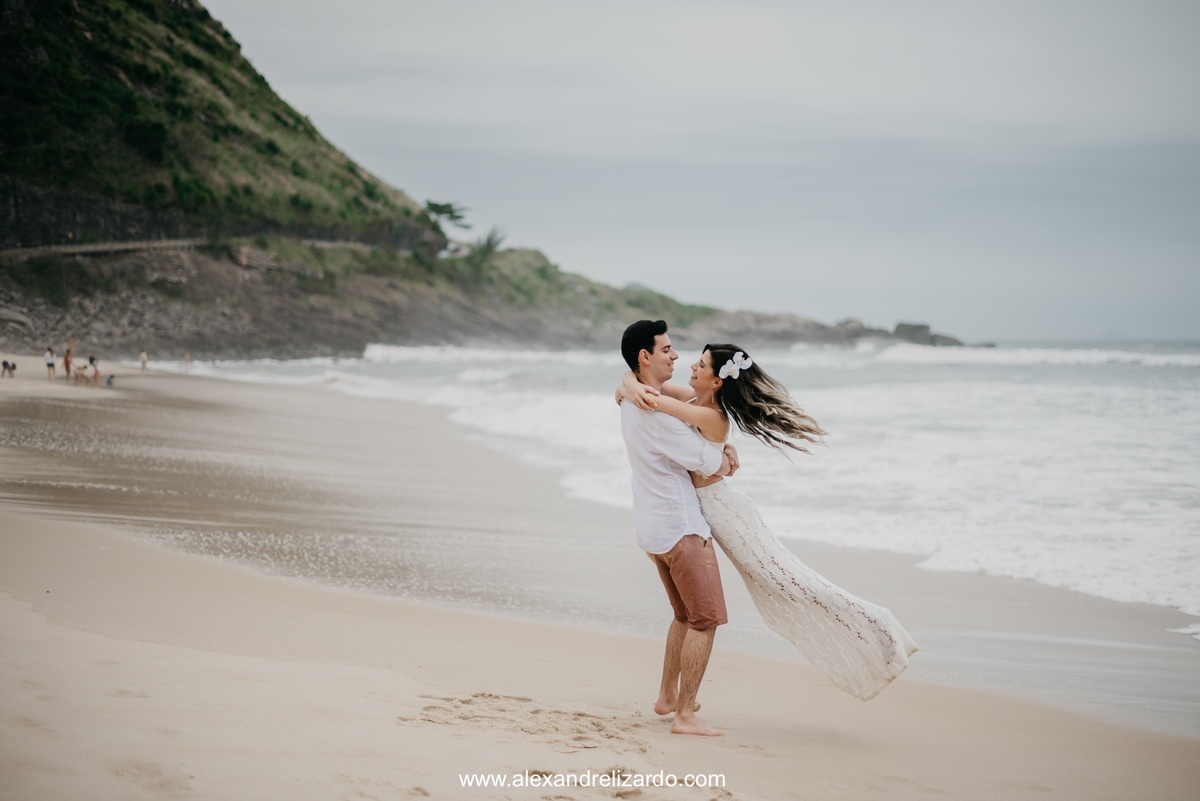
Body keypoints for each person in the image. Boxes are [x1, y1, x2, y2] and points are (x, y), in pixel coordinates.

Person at [618, 343, 919, 701]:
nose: (691, 367)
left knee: (791, 583)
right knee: (777, 586)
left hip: (728, 515)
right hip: (709, 513)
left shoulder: (713, 417)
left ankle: (879, 629)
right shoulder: (694, 400)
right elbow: (637, 387)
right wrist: (629, 382)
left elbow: (649, 398)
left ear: (716, 381)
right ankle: (671, 698)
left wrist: (632, 387)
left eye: (701, 365)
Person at [619, 320, 738, 737]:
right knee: (705, 620)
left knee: (684, 616)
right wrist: (725, 455)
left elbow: (625, 388)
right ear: (645, 357)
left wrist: (625, 384)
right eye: (667, 349)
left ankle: (668, 696)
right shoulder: (658, 414)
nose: (676, 356)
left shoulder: (636, 398)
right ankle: (685, 714)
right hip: (681, 528)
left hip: (653, 529)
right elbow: (708, 465)